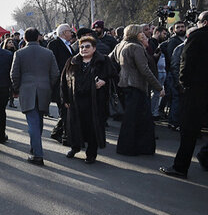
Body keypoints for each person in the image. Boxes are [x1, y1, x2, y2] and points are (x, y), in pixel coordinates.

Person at [160, 12, 208, 178]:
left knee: (189, 130)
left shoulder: (197, 37)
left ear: (204, 22)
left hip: (196, 90)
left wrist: (184, 84)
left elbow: (185, 63)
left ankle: (180, 167)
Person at [109, 25, 163, 156]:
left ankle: (128, 148)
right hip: (136, 86)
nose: (143, 34)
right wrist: (159, 87)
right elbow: (144, 70)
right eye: (141, 32)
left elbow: (109, 60)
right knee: (139, 119)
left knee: (131, 119)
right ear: (136, 34)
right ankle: (137, 148)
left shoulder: (121, 45)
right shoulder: (136, 47)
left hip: (125, 85)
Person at [61, 35, 114, 163]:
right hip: (75, 101)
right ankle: (75, 147)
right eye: (81, 47)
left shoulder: (104, 61)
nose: (84, 49)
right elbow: (63, 81)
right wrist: (65, 99)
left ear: (94, 48)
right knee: (75, 126)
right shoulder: (71, 61)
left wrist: (104, 81)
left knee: (92, 128)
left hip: (95, 101)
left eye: (87, 46)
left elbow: (114, 76)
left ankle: (91, 153)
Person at [10, 28, 59, 166]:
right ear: (38, 37)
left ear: (24, 38)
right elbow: (55, 73)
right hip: (44, 89)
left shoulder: (19, 53)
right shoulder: (48, 53)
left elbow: (14, 74)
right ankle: (35, 145)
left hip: (27, 89)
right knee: (39, 119)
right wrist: (48, 85)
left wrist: (17, 87)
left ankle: (37, 154)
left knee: (32, 122)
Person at [48, 24, 76, 144]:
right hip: (60, 82)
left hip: (69, 80)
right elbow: (53, 64)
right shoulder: (54, 44)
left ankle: (58, 132)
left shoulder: (69, 45)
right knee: (64, 109)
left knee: (67, 110)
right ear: (64, 33)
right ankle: (64, 135)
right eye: (70, 31)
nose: (72, 33)